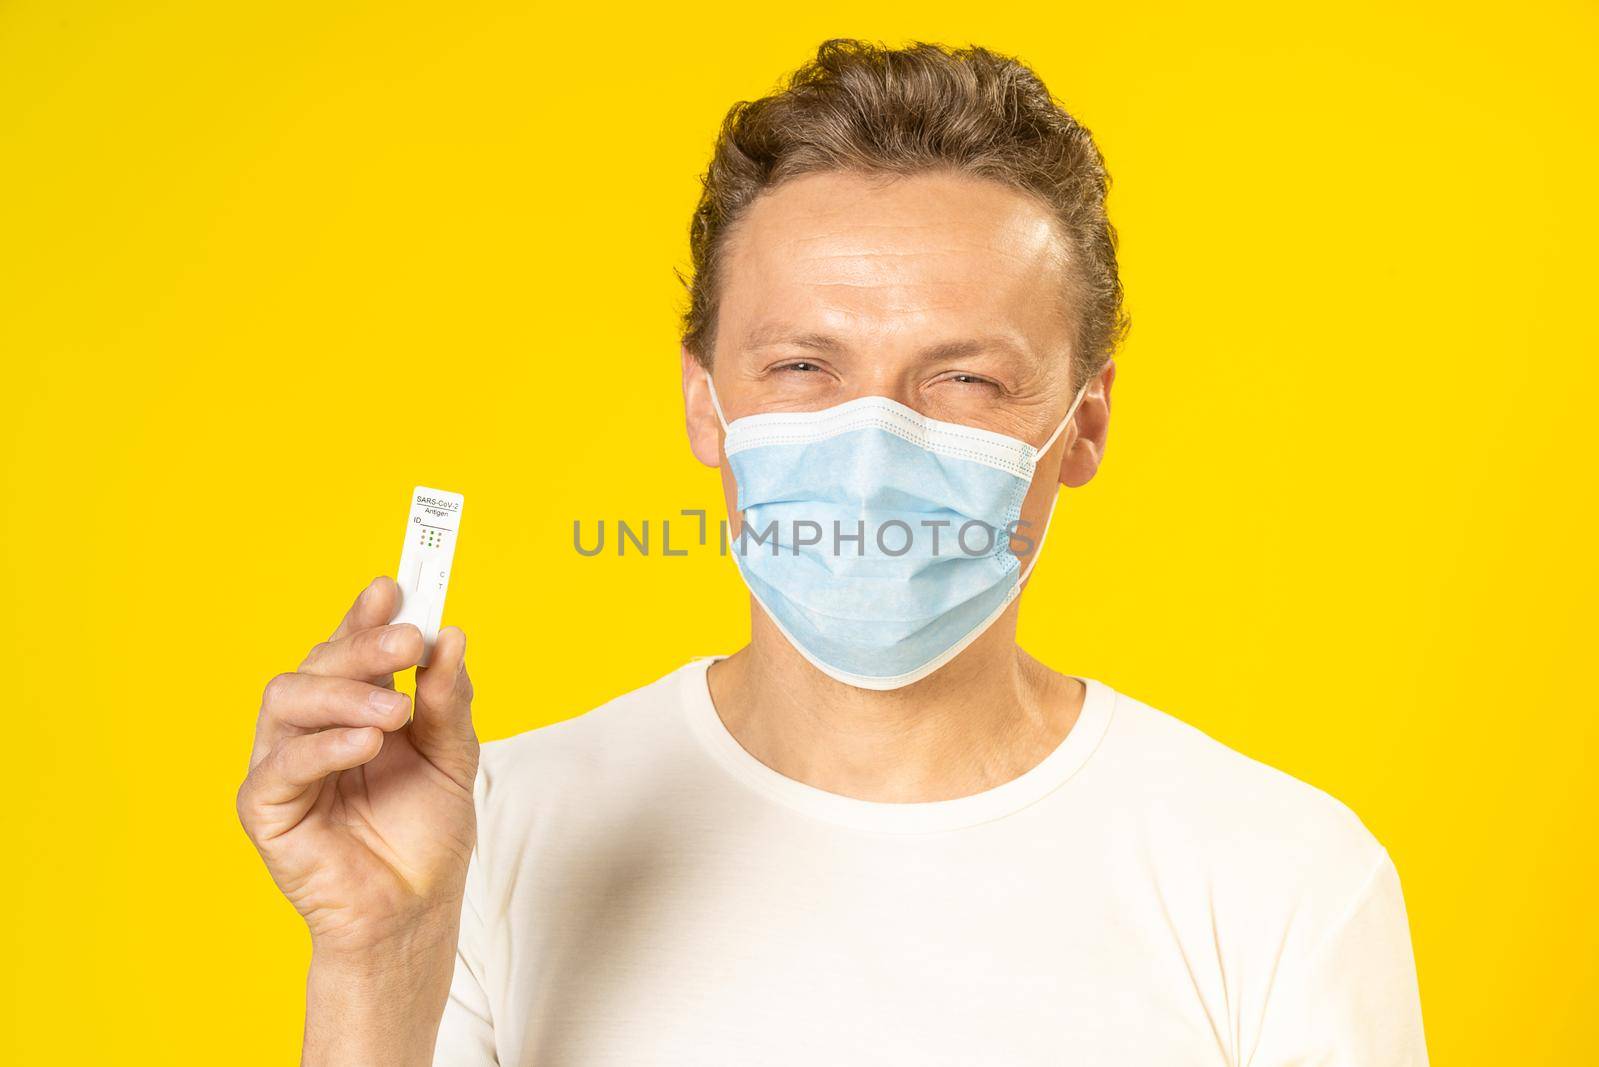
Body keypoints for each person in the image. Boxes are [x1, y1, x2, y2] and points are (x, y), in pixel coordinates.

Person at [237, 39, 1428, 1066]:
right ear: (706, 406)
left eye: (964, 378)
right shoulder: (479, 838)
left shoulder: (1280, 878)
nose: (870, 455)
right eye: (804, 367)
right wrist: (376, 959)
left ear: (1086, 421)